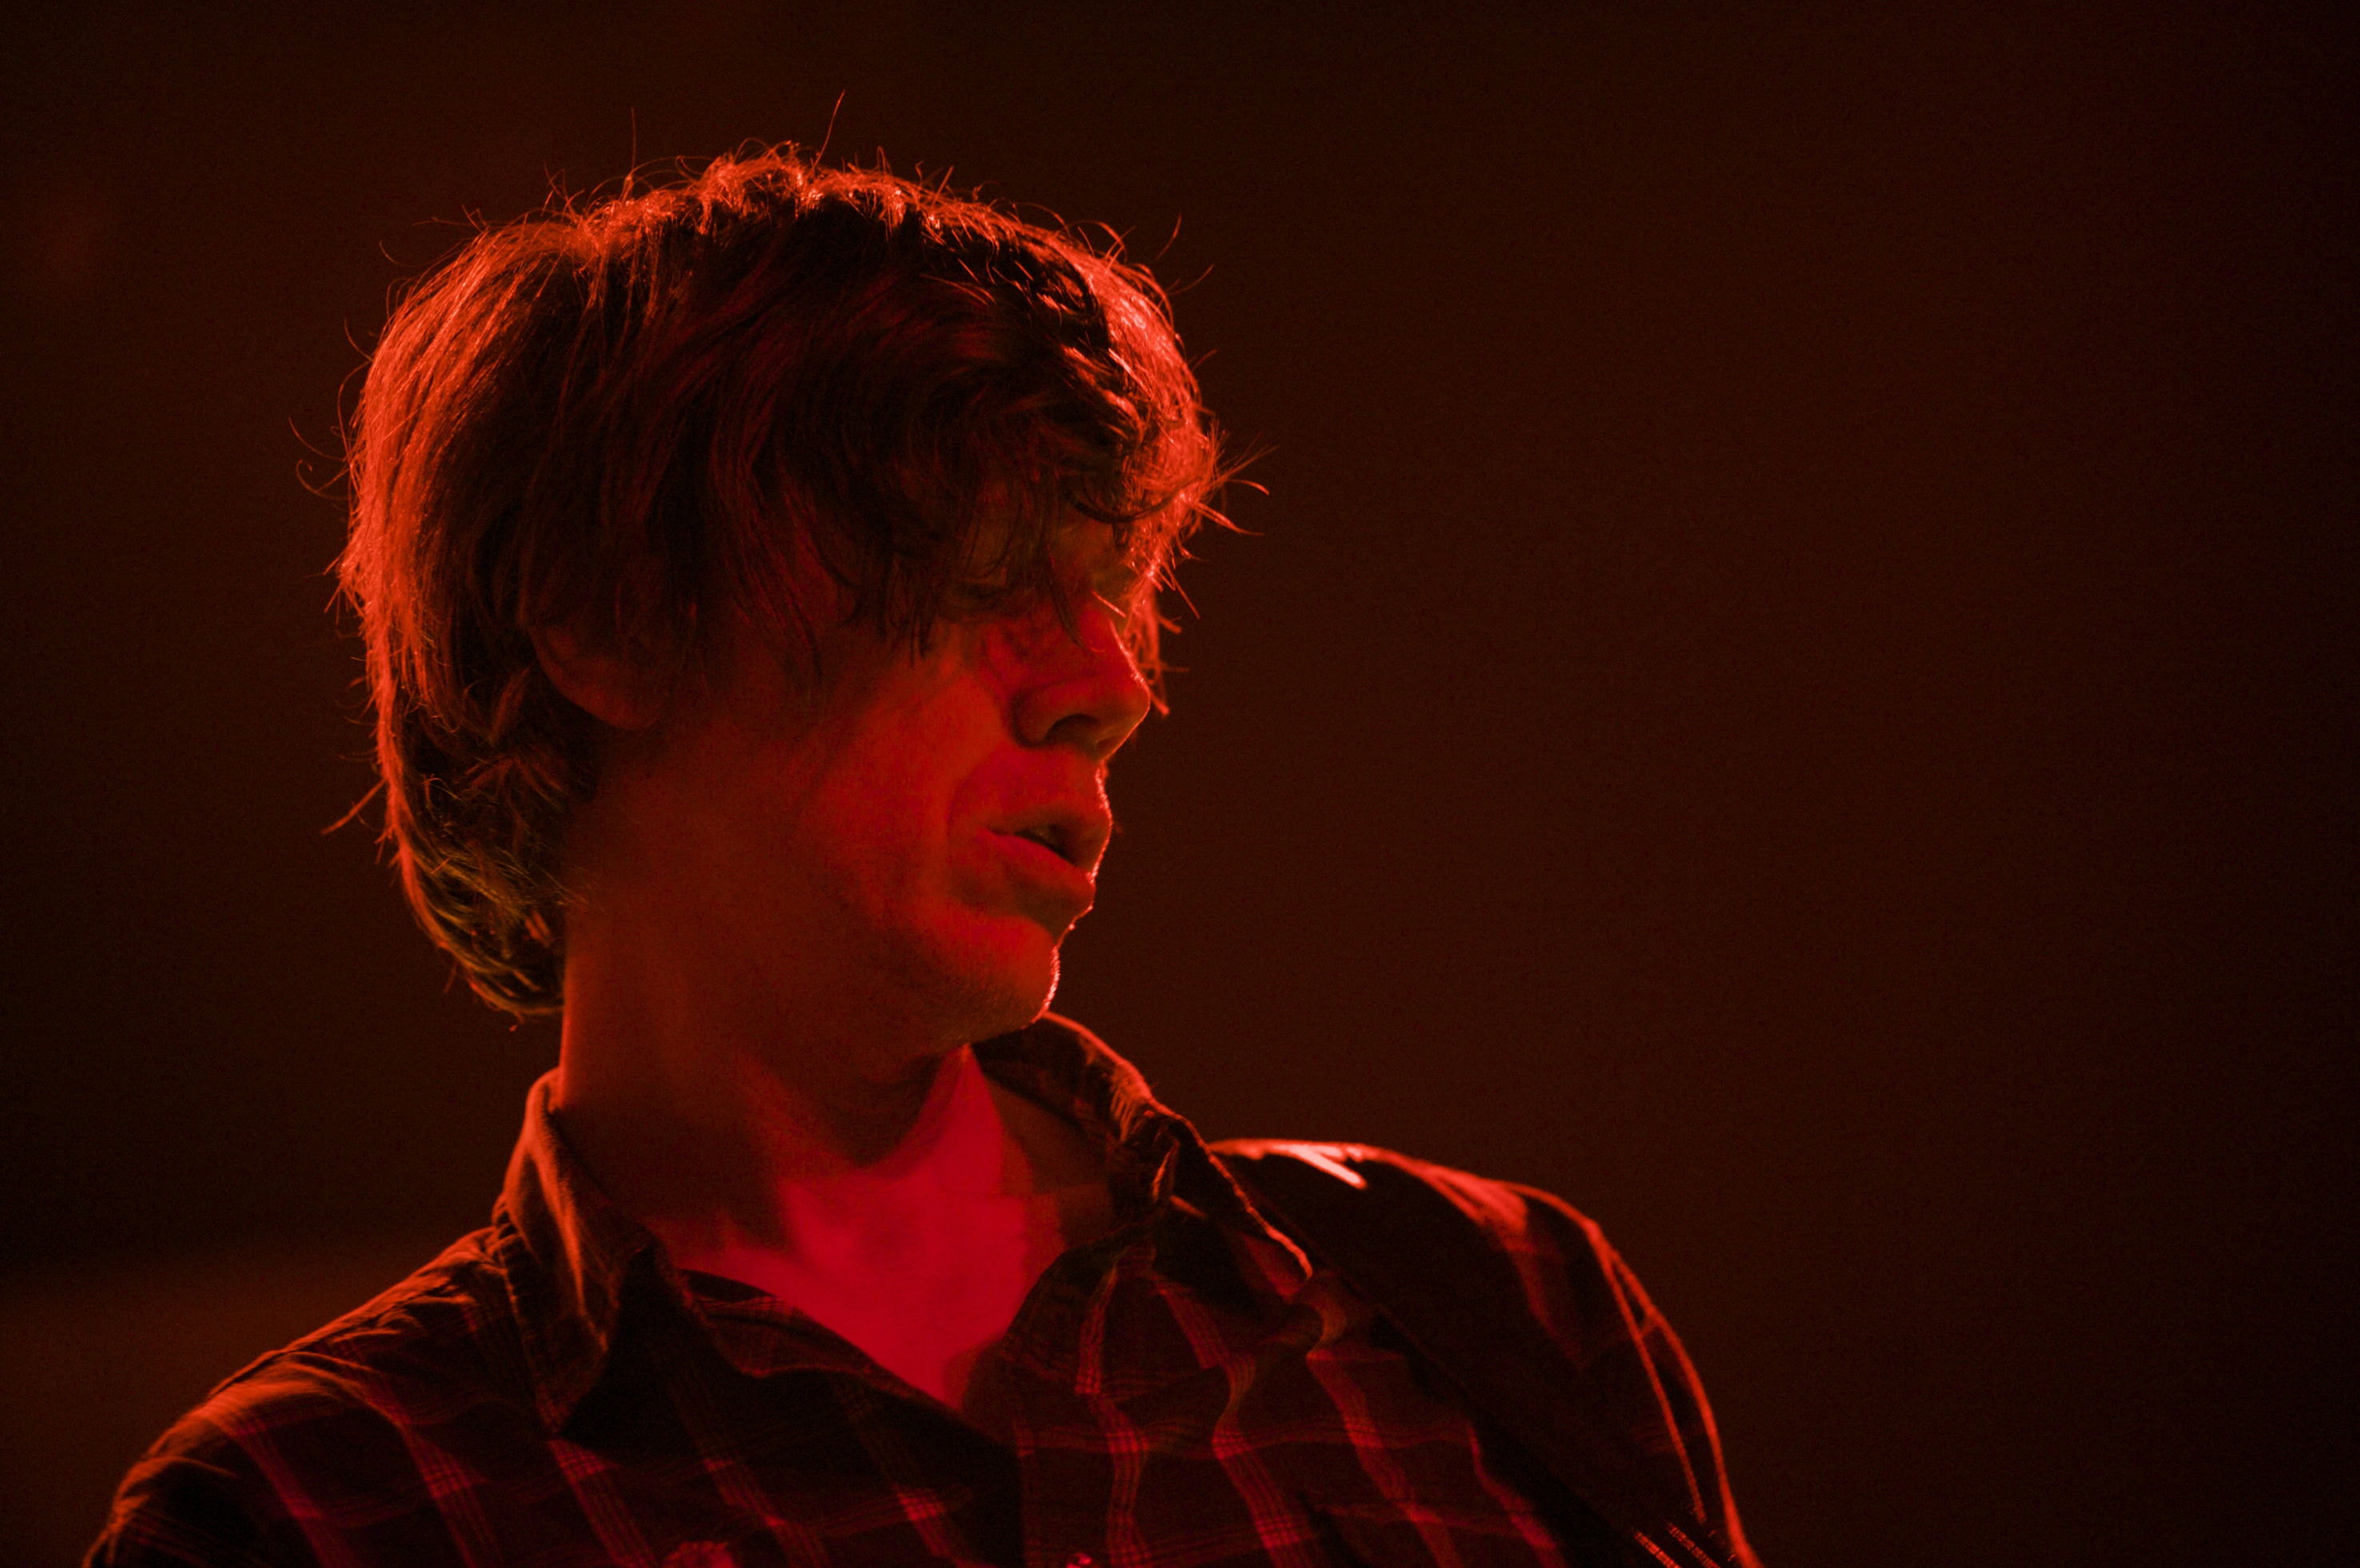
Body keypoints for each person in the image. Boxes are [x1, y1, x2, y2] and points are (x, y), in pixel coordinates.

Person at [88, 148, 1761, 1568]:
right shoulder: (314, 1514)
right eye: (984, 565)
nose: (1109, 684)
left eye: (1110, 586)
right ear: (607, 618)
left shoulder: (1495, 1308)